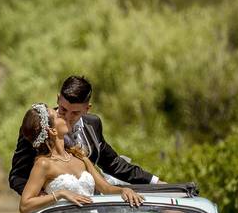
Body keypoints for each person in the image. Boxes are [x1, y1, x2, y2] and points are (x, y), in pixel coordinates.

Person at [18, 102, 145, 213]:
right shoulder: (43, 164)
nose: (64, 115)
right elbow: (24, 205)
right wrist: (61, 194)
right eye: (58, 115)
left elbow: (104, 187)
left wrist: (123, 191)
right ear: (52, 130)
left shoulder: (80, 157)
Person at [8, 75, 161, 195]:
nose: (67, 117)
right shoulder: (40, 128)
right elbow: (17, 177)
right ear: (58, 99)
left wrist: (156, 182)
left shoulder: (93, 124)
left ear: (87, 109)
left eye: (75, 113)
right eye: (62, 109)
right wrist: (44, 198)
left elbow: (114, 164)